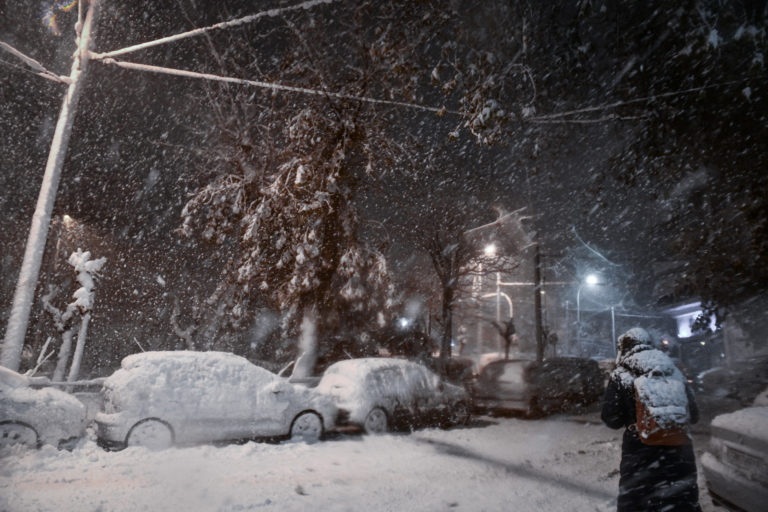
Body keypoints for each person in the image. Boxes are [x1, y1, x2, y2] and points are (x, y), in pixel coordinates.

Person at [601, 327, 702, 512]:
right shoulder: (674, 371)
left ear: (624, 349)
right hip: (679, 453)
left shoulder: (621, 375)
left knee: (639, 503)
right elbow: (694, 415)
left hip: (640, 454)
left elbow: (611, 418)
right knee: (681, 502)